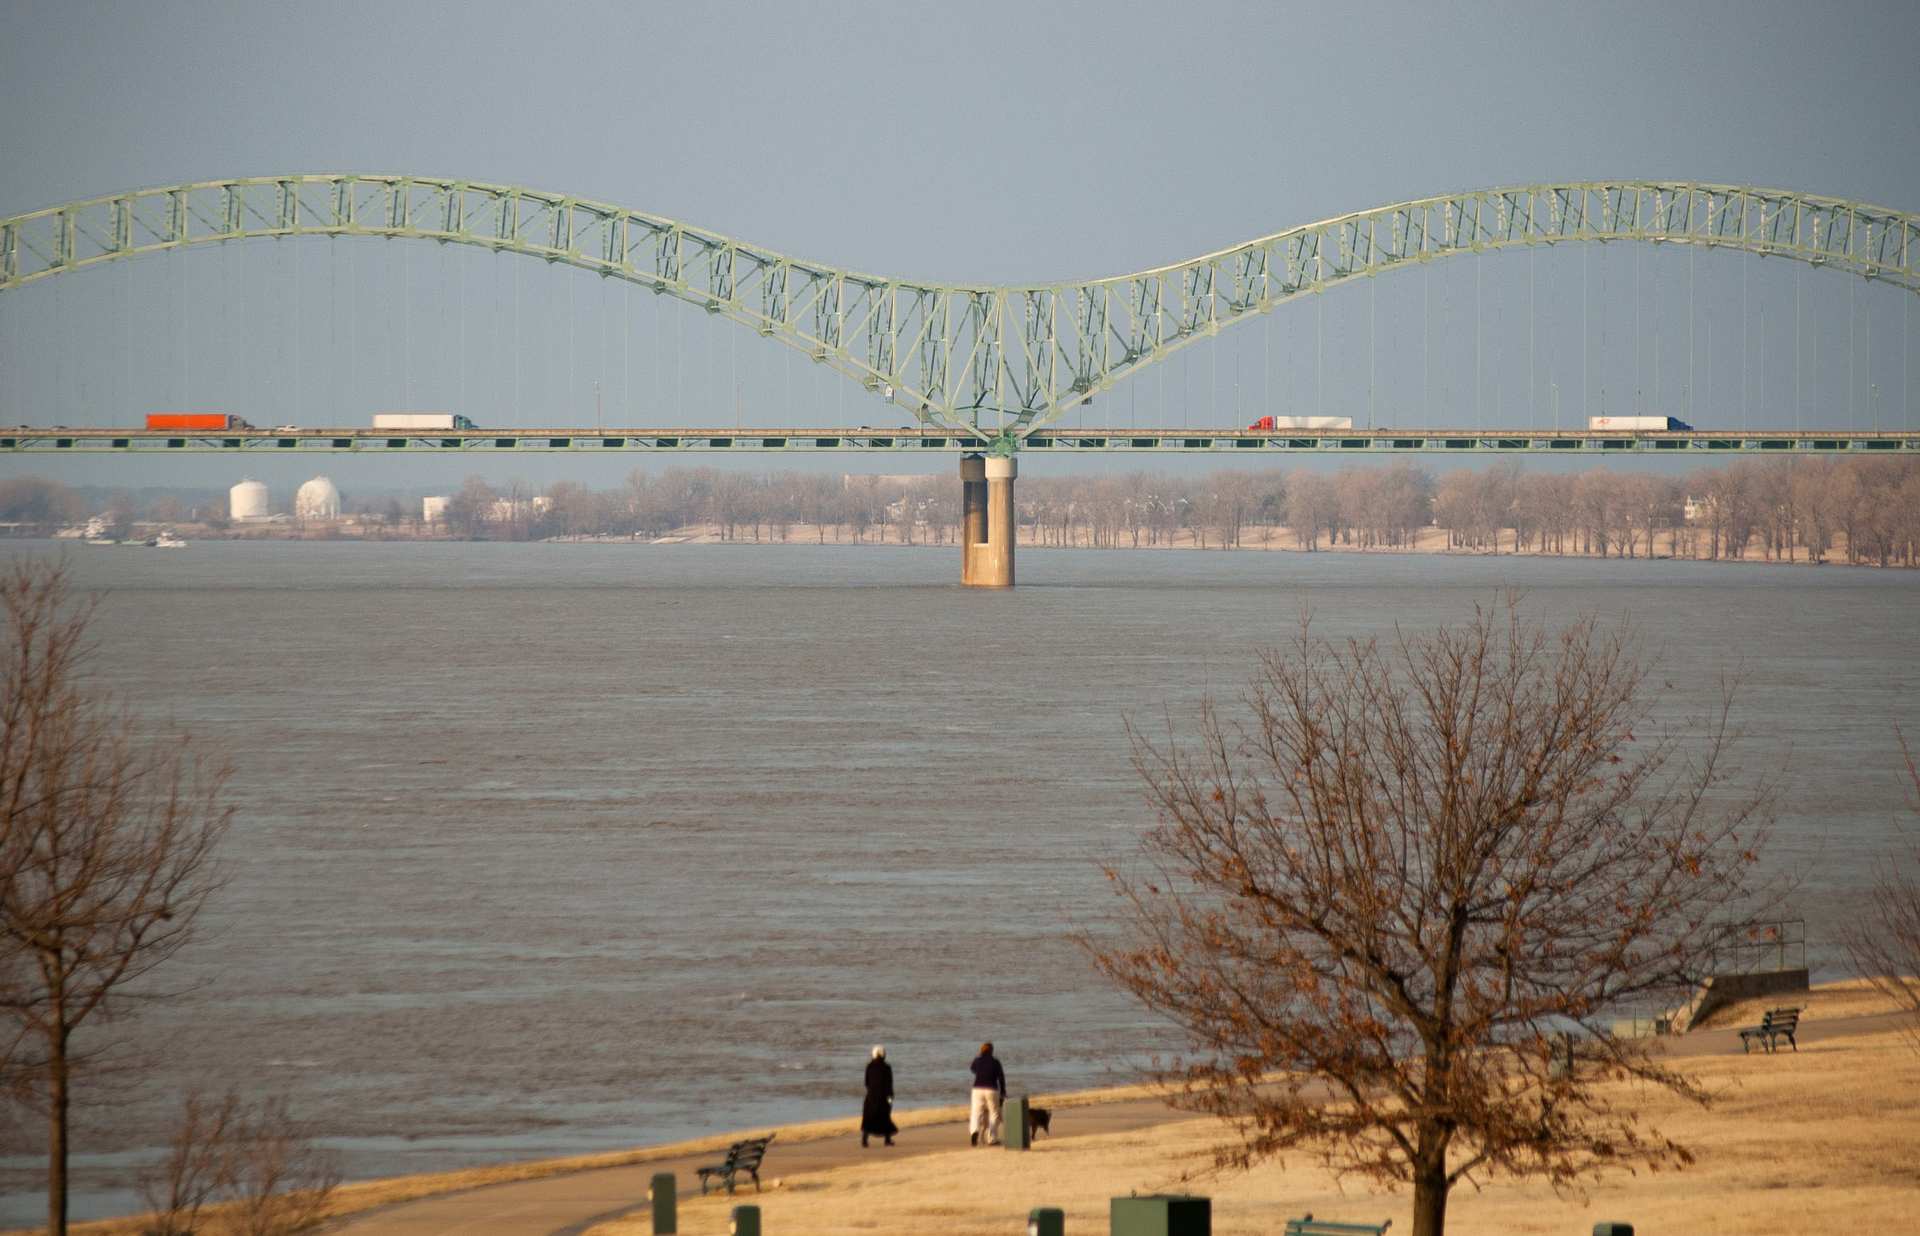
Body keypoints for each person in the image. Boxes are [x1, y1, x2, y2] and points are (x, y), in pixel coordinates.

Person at [968, 1041, 1005, 1146]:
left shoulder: (977, 1061)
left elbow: (973, 1070)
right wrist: (1003, 1091)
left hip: (977, 1089)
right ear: (992, 1051)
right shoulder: (996, 1062)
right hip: (991, 1089)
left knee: (976, 1113)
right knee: (994, 1113)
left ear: (982, 1050)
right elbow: (1001, 1078)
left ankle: (974, 1131)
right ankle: (992, 1139)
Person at [862, 1045, 896, 1148]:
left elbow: (866, 1082)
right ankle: (887, 1140)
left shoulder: (869, 1066)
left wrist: (872, 1090)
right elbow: (889, 1083)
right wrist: (890, 1096)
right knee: (885, 1118)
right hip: (883, 1097)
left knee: (869, 1119)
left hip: (870, 1097)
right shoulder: (887, 1067)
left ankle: (864, 1140)